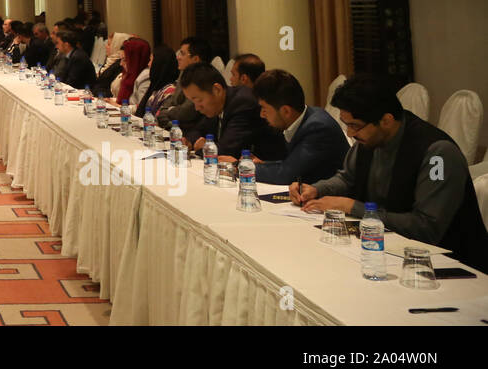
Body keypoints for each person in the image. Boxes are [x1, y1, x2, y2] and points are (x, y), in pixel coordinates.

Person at [293, 74, 488, 272]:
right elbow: (347, 178)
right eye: (347, 124)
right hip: (389, 251)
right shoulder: (369, 138)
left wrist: (353, 207)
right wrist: (316, 189)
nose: (350, 134)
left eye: (355, 125)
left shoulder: (438, 155)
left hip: (450, 268)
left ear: (386, 120)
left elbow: (425, 227)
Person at [250, 69, 349, 185]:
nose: (262, 114)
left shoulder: (318, 128)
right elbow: (289, 164)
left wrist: (241, 167)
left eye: (264, 108)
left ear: (286, 111)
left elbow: (285, 175)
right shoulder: (305, 118)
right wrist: (261, 165)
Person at [179, 63, 286, 162]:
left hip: (266, 171)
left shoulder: (242, 103)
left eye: (198, 100)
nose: (197, 107)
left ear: (217, 90)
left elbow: (225, 151)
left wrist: (204, 147)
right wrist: (189, 141)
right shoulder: (216, 105)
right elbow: (197, 130)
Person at [156, 36, 213, 131]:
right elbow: (172, 99)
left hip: (191, 131)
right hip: (176, 124)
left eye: (182, 54)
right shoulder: (184, 73)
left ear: (195, 59)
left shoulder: (203, 79)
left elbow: (186, 112)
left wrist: (169, 112)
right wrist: (165, 110)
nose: (178, 57)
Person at [138, 44, 179, 118]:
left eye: (151, 60)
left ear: (159, 63)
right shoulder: (158, 86)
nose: (148, 64)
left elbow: (159, 118)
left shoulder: (169, 90)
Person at [115, 37, 152, 105]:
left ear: (135, 60)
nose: (121, 64)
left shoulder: (146, 77)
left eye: (125, 60)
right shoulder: (130, 74)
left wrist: (118, 106)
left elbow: (141, 108)